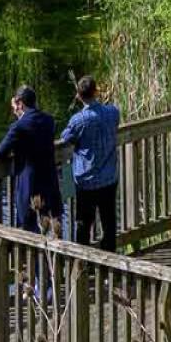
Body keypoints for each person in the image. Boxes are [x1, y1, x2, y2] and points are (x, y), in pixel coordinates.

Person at [61, 76, 121, 253]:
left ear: (79, 96)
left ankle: (83, 265)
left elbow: (66, 137)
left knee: (84, 225)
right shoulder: (113, 112)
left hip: (86, 181)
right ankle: (110, 264)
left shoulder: (78, 120)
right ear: (96, 92)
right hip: (109, 178)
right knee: (109, 223)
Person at [0, 85, 63, 235]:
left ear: (20, 103)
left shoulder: (19, 126)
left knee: (28, 233)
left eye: (14, 105)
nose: (13, 109)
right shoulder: (49, 121)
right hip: (50, 183)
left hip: (30, 187)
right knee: (51, 231)